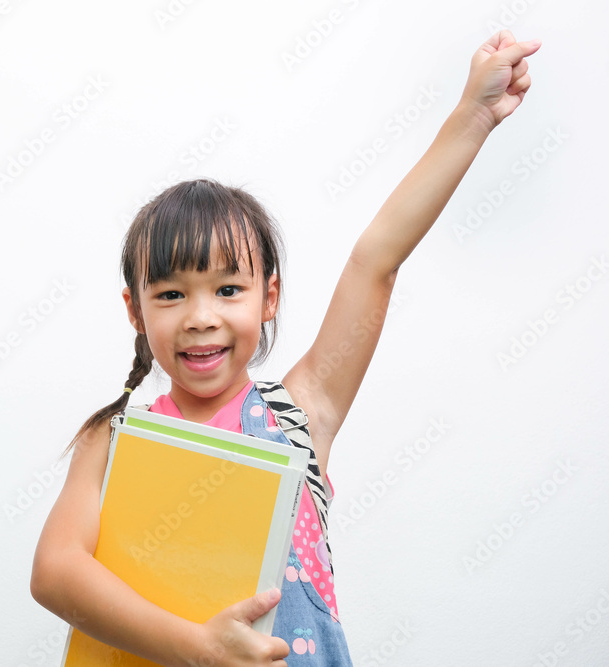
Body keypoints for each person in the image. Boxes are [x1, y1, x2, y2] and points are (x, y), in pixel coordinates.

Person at [31, 30, 541, 667]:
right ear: (134, 309)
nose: (200, 317)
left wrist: (474, 115)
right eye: (170, 296)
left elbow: (375, 261)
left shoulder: (299, 413)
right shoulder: (114, 439)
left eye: (227, 288)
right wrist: (198, 647)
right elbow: (55, 571)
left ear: (269, 297)